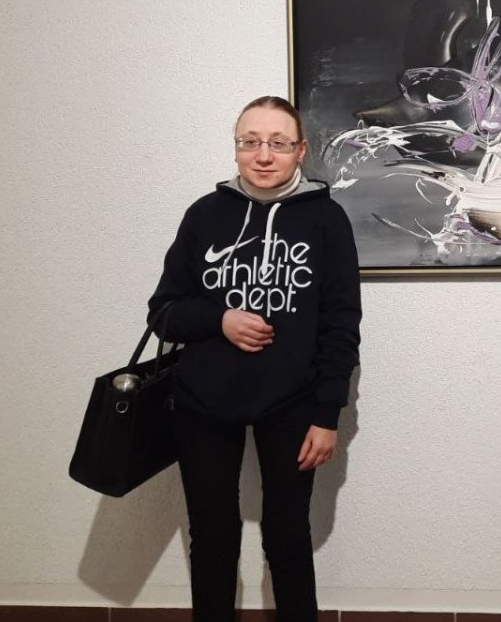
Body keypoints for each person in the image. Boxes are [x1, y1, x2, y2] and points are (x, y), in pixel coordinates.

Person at [148, 95, 361, 622]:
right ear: (237, 147)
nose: (263, 155)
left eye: (278, 144)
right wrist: (218, 319)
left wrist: (327, 414)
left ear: (300, 151)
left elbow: (341, 326)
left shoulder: (327, 220)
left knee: (288, 535)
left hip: (294, 404)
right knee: (212, 536)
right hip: (202, 404)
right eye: (251, 142)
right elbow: (163, 313)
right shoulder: (204, 215)